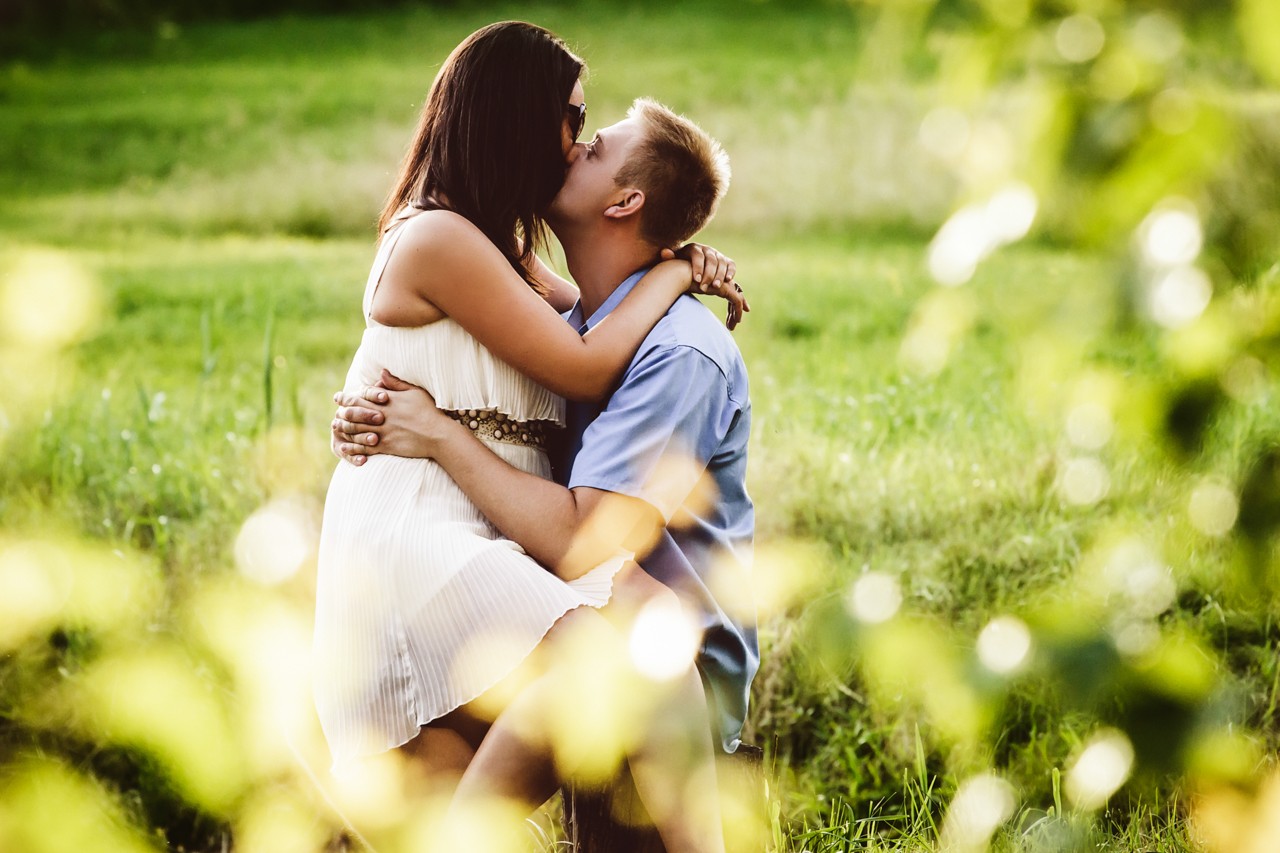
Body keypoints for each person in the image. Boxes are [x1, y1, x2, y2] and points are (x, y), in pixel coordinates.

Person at [313, 21, 743, 853]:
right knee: (630, 657)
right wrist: (674, 270)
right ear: (518, 116)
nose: (577, 142)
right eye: (573, 118)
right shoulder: (438, 236)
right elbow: (583, 365)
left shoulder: (504, 254)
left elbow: (585, 313)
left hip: (478, 529)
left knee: (640, 645)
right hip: (422, 534)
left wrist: (676, 257)